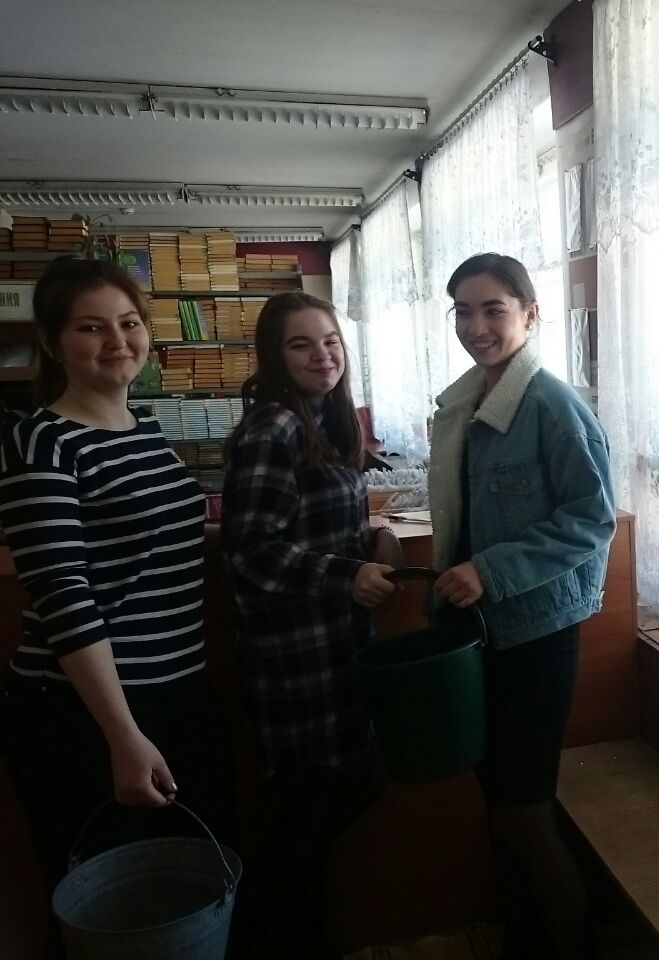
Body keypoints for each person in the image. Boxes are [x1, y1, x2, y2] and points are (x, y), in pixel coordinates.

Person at [0, 258, 235, 956]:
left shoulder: (144, 428)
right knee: (113, 910)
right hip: (86, 712)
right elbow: (63, 593)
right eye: (91, 328)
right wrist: (122, 735)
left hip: (178, 690)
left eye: (129, 323)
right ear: (52, 343)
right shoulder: (40, 439)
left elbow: (163, 540)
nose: (117, 341)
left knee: (192, 893)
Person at [429, 253, 615, 959]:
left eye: (494, 310)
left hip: (534, 636)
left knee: (525, 815)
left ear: (530, 316)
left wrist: (490, 570)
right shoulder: (465, 403)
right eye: (463, 311)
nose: (476, 326)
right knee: (500, 808)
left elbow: (592, 519)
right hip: (478, 632)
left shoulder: (550, 405)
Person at [220, 291, 400, 958]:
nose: (322, 355)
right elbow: (249, 551)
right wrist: (345, 576)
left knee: (328, 809)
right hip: (295, 665)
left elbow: (314, 523)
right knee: (304, 824)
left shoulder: (327, 419)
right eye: (301, 344)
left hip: (338, 651)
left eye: (330, 341)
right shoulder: (274, 429)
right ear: (274, 357)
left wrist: (373, 536)